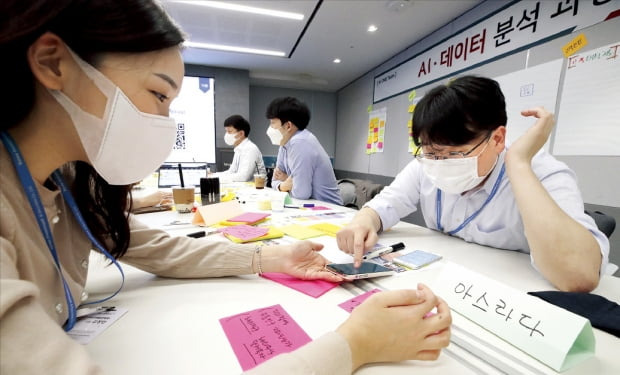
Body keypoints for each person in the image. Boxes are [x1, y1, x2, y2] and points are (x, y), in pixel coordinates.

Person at [0, 1, 451, 373]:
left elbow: (160, 247)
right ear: (51, 63)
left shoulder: (68, 182)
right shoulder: (53, 185)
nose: (163, 122)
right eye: (159, 96)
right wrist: (354, 345)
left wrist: (270, 255)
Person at [336, 76, 610, 293]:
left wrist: (518, 164)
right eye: (430, 152)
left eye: (453, 153)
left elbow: (579, 276)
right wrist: (364, 220)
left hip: (513, 298)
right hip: (446, 285)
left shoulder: (544, 173)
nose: (439, 162)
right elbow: (386, 203)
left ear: (498, 139)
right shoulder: (425, 165)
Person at [266, 97, 344, 205]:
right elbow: (274, 181)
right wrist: (283, 185)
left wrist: (286, 180)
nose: (270, 128)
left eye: (273, 123)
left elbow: (301, 193)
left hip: (330, 210)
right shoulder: (284, 144)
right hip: (310, 206)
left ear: (288, 126)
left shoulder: (300, 142)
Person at [211, 114, 266, 182]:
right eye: (226, 131)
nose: (227, 135)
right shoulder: (239, 149)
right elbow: (231, 172)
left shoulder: (250, 149)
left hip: (255, 190)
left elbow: (243, 177)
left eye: (230, 131)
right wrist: (213, 175)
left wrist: (215, 178)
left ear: (241, 134)